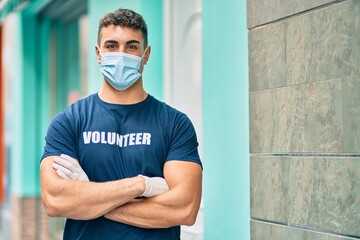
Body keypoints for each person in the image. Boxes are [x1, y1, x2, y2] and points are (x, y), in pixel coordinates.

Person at [40, 8, 203, 240]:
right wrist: (143, 185)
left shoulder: (175, 124)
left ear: (145, 55)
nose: (121, 54)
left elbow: (184, 208)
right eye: (111, 46)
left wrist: (90, 198)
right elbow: (56, 201)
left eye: (132, 47)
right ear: (98, 53)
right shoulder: (69, 122)